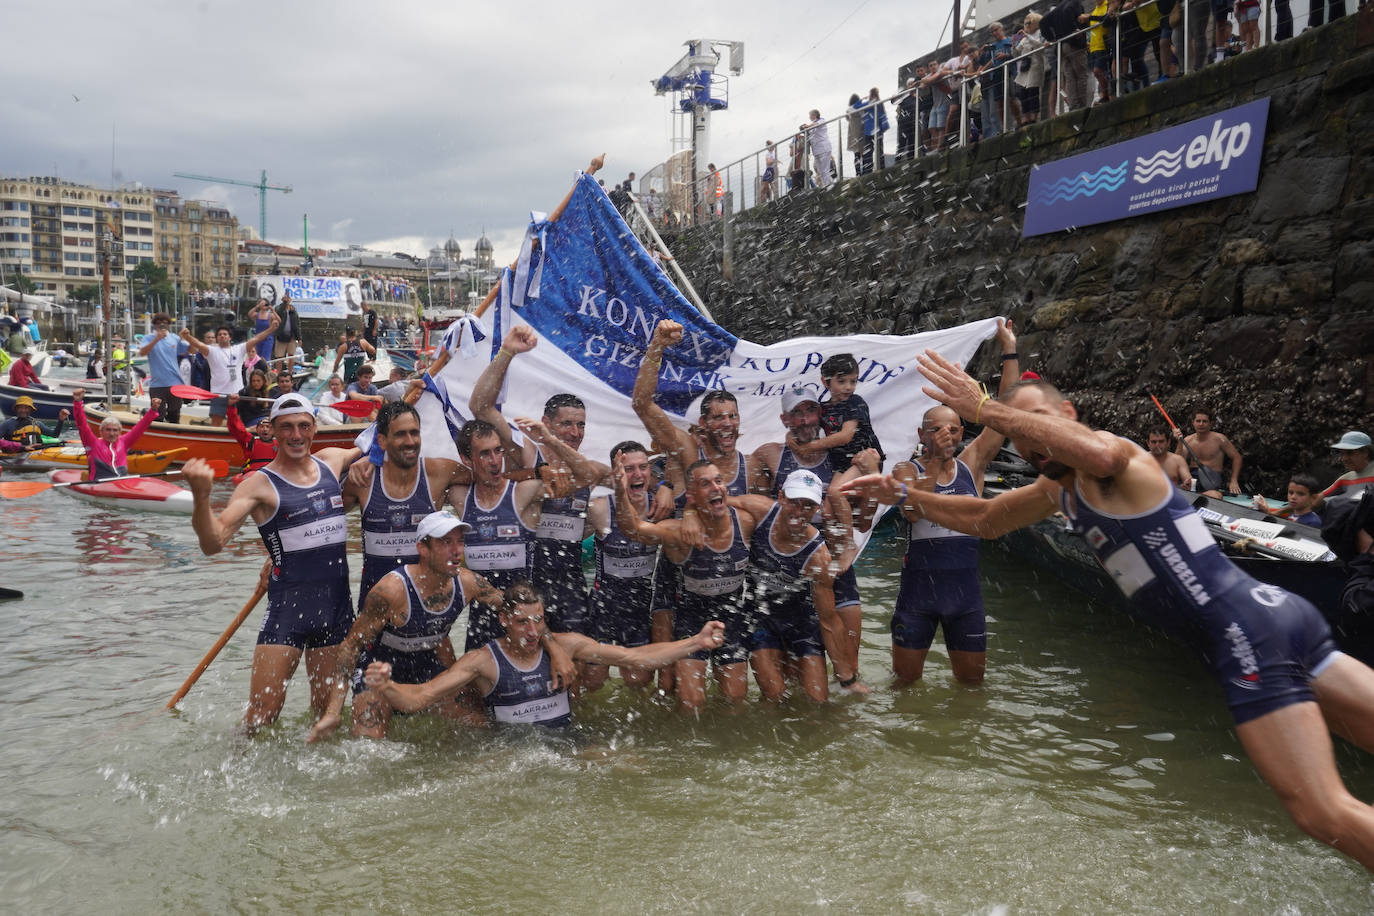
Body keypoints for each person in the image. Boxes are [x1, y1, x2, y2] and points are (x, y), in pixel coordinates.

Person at [843, 360, 1374, 873]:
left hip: (1247, 637)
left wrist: (986, 409)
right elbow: (985, 519)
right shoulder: (1059, 489)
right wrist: (906, 495)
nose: (1031, 446)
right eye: (1024, 441)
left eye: (1040, 426)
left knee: (1321, 812)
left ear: (1070, 415)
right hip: (1278, 617)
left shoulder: (1121, 460)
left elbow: (1101, 452)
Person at [306, 511, 575, 742]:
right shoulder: (391, 591)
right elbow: (350, 647)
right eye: (446, 543)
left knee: (478, 729)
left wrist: (556, 649)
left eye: (460, 542)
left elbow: (521, 612)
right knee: (368, 746)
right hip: (378, 669)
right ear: (423, 548)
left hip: (426, 665)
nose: (457, 551)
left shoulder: (468, 583)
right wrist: (332, 712)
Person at [184, 394, 362, 734]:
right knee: (262, 715)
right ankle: (231, 778)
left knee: (326, 714)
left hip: (336, 609)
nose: (296, 435)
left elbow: (376, 441)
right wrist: (202, 498)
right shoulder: (259, 485)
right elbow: (213, 543)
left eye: (303, 426)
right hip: (287, 612)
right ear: (273, 432)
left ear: (314, 429)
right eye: (287, 428)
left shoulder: (333, 461)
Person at [362, 580, 727, 729]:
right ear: (504, 620)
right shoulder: (483, 661)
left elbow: (636, 658)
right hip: (516, 753)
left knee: (633, 765)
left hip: (568, 743)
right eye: (522, 623)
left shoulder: (565, 645)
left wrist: (695, 642)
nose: (533, 631)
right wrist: (387, 686)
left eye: (538, 620)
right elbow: (421, 698)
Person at [877, 320, 1017, 686]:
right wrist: (935, 461)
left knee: (972, 690)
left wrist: (1009, 349)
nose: (949, 434)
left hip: (965, 599)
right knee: (904, 689)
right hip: (917, 597)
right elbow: (912, 509)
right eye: (939, 429)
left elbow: (1006, 411)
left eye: (955, 428)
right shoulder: (906, 470)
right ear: (922, 435)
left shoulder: (972, 465)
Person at [614, 459, 761, 713]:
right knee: (690, 704)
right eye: (705, 484)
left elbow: (781, 511)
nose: (716, 487)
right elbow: (633, 529)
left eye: (719, 481)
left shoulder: (746, 521)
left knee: (735, 701)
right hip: (693, 618)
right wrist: (619, 491)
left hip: (731, 615)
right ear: (692, 495)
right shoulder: (679, 532)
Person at [748, 384, 870, 691]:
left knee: (849, 661)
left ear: (821, 413)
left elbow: (866, 519)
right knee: (794, 668)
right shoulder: (771, 454)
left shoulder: (843, 455)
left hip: (833, 563)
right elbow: (747, 500)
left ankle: (847, 708)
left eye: (810, 410)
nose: (804, 420)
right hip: (791, 568)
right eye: (796, 414)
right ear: (785, 419)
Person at [729, 470, 860, 702]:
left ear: (818, 508)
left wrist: (848, 679)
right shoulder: (760, 510)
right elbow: (714, 502)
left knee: (817, 701)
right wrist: (689, 513)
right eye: (793, 503)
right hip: (760, 617)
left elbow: (829, 621)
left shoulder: (819, 557)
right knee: (775, 695)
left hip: (801, 622)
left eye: (808, 506)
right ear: (781, 497)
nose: (799, 513)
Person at [446, 419, 554, 651]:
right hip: (480, 625)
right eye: (485, 454)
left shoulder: (524, 493)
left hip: (524, 626)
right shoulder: (460, 496)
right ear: (467, 459)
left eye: (498, 451)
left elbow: (581, 478)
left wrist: (546, 447)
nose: (495, 462)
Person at [580, 441, 664, 692]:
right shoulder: (600, 508)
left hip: (640, 607)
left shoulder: (660, 508)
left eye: (643, 467)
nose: (638, 475)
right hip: (604, 605)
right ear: (617, 474)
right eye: (629, 469)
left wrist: (668, 487)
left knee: (639, 682)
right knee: (592, 680)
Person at [185, 319, 279, 428]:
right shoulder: (211, 350)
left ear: (230, 337)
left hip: (237, 393)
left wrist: (271, 329)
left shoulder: (238, 349)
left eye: (225, 334)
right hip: (218, 393)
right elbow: (198, 344)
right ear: (217, 338)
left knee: (237, 423)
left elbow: (256, 339)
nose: (222, 336)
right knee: (215, 423)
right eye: (219, 334)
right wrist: (187, 337)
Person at [66, 388, 160, 480]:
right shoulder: (92, 443)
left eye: (115, 430)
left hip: (122, 484)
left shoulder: (124, 442)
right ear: (101, 431)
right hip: (99, 486)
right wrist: (78, 402)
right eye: (108, 430)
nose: (112, 433)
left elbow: (141, 427)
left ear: (119, 432)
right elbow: (81, 425)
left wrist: (153, 410)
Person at [137, 314, 195, 424]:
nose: (162, 324)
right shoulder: (148, 338)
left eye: (165, 322)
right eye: (159, 322)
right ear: (154, 325)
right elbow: (142, 352)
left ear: (169, 325)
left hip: (176, 384)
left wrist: (188, 337)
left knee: (174, 416)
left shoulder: (175, 338)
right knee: (157, 416)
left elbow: (192, 351)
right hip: (157, 385)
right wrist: (157, 339)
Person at [1173, 407, 1243, 497]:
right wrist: (1179, 442)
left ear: (1211, 423)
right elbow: (1177, 462)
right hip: (1192, 479)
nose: (1201, 424)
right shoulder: (1188, 440)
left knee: (1215, 495)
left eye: (1204, 421)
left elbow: (1237, 457)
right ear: (1193, 422)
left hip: (1212, 479)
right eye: (1198, 421)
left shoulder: (1220, 439)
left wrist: (1234, 480)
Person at [226, 393, 276, 479]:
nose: (265, 429)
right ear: (256, 430)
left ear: (274, 431)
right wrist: (232, 406)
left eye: (268, 427)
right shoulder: (249, 441)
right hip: (253, 473)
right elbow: (235, 427)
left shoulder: (281, 443)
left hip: (273, 472)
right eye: (262, 427)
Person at [0, 395, 69, 448]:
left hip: (34, 454)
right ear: (16, 409)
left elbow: (54, 435)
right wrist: (22, 448)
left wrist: (61, 420)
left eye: (26, 408)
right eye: (20, 408)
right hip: (14, 455)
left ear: (31, 410)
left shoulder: (37, 423)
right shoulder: (8, 424)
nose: (23, 410)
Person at [1255, 473, 1323, 526]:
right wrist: (1266, 511)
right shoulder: (1292, 515)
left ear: (1313, 497)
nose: (1293, 497)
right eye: (1291, 492)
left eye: (1300, 494)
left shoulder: (1313, 522)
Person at [804, 110, 834, 188]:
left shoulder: (821, 120)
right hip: (816, 151)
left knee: (825, 170)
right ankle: (829, 184)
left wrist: (807, 126)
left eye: (810, 115)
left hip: (824, 148)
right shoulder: (810, 127)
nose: (809, 117)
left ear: (814, 115)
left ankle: (828, 186)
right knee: (820, 171)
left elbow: (816, 124)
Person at [246, 298, 276, 367]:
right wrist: (257, 306)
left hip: (268, 339)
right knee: (258, 357)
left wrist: (272, 310)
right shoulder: (257, 315)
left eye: (265, 303)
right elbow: (250, 314)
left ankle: (266, 371)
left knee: (265, 357)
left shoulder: (270, 315)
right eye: (261, 303)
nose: (263, 305)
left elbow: (278, 321)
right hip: (258, 338)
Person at [274, 293, 302, 362]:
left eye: (288, 298)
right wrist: (284, 303)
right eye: (286, 298)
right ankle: (279, 372)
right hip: (281, 336)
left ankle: (290, 372)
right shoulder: (278, 308)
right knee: (279, 358)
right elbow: (278, 313)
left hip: (291, 337)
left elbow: (297, 325)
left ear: (290, 300)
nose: (287, 300)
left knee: (291, 356)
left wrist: (299, 338)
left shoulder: (293, 311)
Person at [895, 79, 918, 161]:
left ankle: (911, 160)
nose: (911, 85)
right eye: (909, 84)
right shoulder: (904, 97)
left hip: (913, 122)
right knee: (902, 142)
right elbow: (893, 101)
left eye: (913, 84)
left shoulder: (918, 95)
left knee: (912, 142)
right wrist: (902, 92)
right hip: (903, 122)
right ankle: (898, 159)